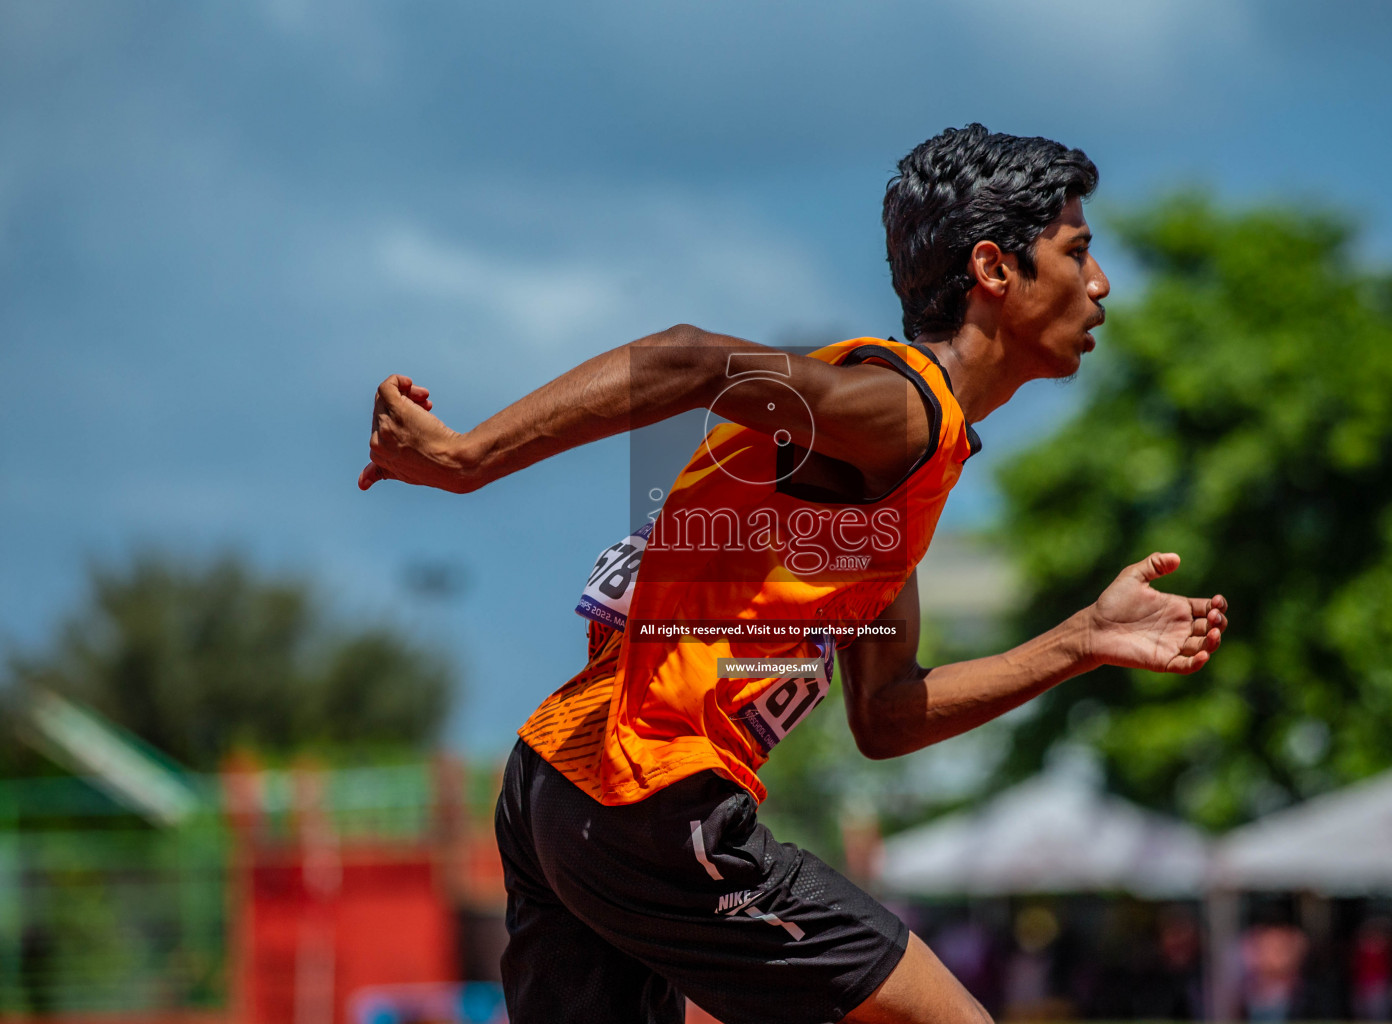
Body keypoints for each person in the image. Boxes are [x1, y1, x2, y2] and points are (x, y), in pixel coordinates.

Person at [360, 124, 1227, 1024]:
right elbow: (686, 357)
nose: (1100, 283)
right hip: (649, 793)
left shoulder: (912, 471)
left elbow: (885, 714)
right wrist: (467, 460)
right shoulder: (903, 414)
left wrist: (1082, 640)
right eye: (1078, 252)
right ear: (995, 271)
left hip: (558, 782)